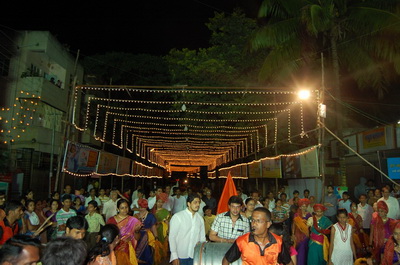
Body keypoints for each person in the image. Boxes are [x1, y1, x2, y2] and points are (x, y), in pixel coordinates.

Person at [222, 207, 292, 265]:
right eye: (253, 220)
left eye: (258, 221)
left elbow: (289, 262)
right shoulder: (242, 241)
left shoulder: (278, 242)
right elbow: (226, 260)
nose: (254, 224)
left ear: (268, 224)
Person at [169, 193, 206, 265]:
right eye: (195, 202)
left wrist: (201, 254)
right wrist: (174, 256)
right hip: (180, 255)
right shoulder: (178, 217)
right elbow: (172, 237)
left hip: (194, 255)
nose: (198, 205)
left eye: (199, 202)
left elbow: (202, 238)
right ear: (188, 204)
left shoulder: (200, 219)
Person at [107, 199, 141, 264]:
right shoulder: (111, 220)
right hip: (114, 248)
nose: (125, 210)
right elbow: (108, 236)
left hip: (128, 249)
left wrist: (136, 231)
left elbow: (137, 238)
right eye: (122, 208)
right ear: (117, 209)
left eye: (126, 207)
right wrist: (120, 240)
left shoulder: (133, 220)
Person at [134, 199, 157, 265]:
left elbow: (153, 227)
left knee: (148, 253)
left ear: (146, 207)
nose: (141, 209)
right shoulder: (136, 215)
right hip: (137, 237)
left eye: (142, 207)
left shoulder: (150, 216)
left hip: (148, 238)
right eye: (140, 207)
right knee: (137, 255)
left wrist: (156, 237)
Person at [292, 198, 311, 265]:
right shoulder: (296, 215)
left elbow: (310, 226)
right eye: (302, 206)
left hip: (306, 235)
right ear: (300, 206)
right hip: (298, 234)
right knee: (300, 249)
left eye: (305, 206)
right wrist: (293, 234)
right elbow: (294, 225)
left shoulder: (309, 215)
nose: (304, 207)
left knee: (305, 249)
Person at [153, 193, 171, 262]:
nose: (160, 203)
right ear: (156, 202)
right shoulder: (152, 211)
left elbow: (168, 223)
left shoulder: (165, 212)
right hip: (154, 229)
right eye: (158, 202)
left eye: (161, 202)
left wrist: (168, 233)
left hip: (162, 230)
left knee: (161, 245)